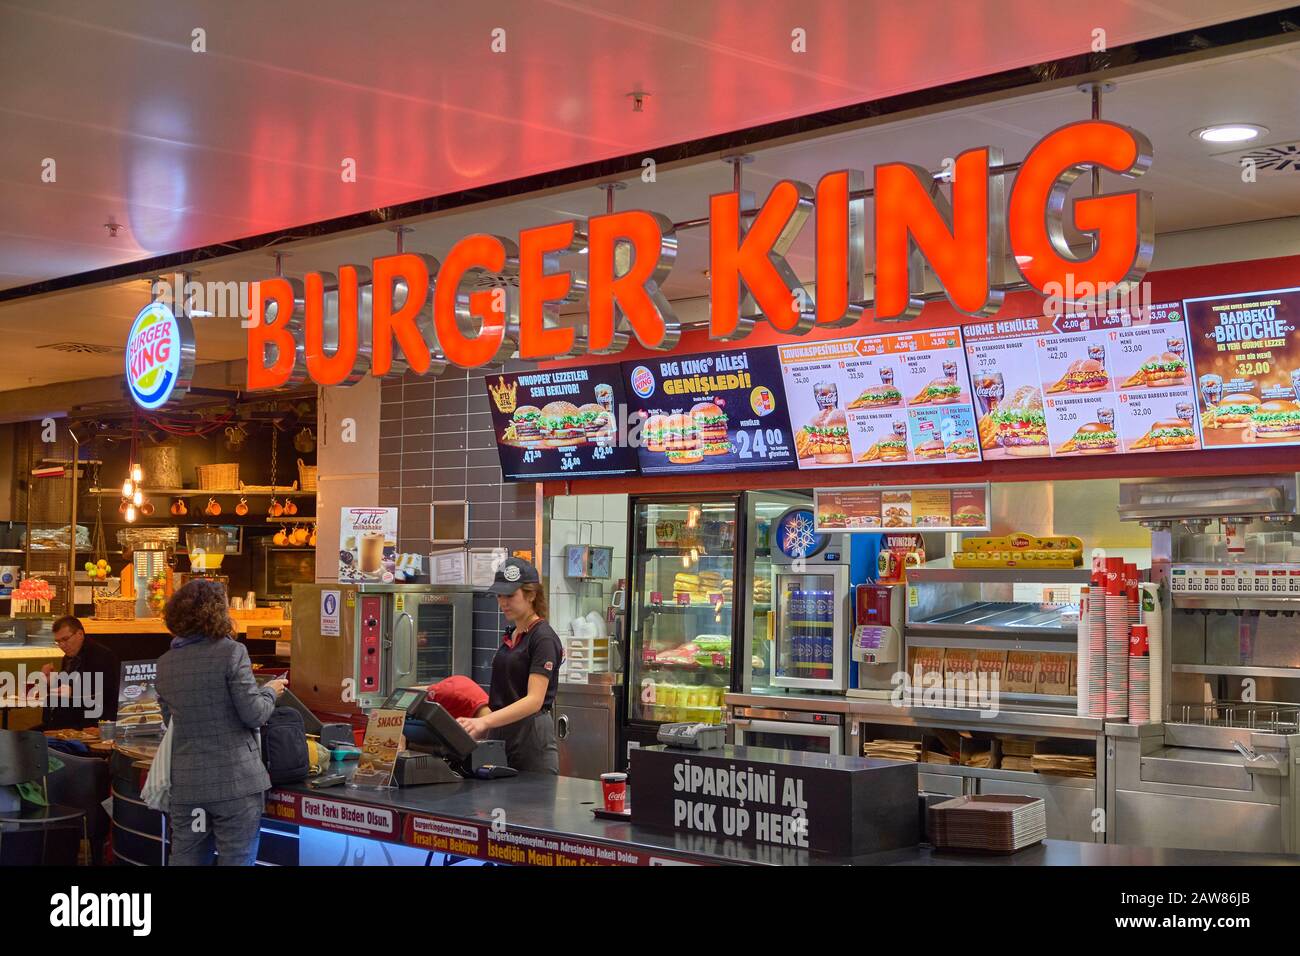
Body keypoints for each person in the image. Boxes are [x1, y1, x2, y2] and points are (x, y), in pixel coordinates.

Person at [155, 580, 287, 866]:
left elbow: (171, 722)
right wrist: (270, 691)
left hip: (189, 786)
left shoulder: (165, 663)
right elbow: (254, 714)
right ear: (219, 612)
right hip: (235, 785)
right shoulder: (231, 652)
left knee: (187, 861)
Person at [457, 558, 563, 774]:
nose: (503, 602)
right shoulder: (512, 635)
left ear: (531, 595)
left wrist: (484, 722)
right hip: (501, 733)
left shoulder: (542, 638)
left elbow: (534, 700)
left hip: (531, 735)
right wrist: (486, 726)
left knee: (530, 805)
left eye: (510, 595)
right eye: (500, 595)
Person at [40, 615, 119, 731]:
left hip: (89, 725)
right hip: (66, 722)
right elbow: (66, 689)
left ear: (80, 634)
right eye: (58, 642)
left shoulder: (102, 656)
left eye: (65, 639)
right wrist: (51, 682)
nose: (62, 646)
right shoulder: (69, 657)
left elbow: (106, 692)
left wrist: (74, 691)